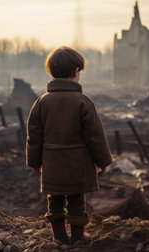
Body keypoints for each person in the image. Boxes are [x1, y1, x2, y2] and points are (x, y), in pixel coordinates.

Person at [26, 46, 112, 245]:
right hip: (78, 165)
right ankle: (78, 236)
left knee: (54, 199)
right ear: (75, 71)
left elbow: (34, 137)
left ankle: (59, 236)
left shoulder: (41, 102)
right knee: (76, 199)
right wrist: (103, 161)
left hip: (52, 163)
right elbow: (95, 136)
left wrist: (34, 163)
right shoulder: (83, 102)